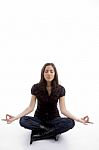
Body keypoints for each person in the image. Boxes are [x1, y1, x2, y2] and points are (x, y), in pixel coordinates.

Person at [2, 63, 92, 144]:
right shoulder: (35, 87)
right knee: (23, 120)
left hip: (54, 119)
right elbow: (30, 107)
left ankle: (40, 134)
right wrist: (14, 118)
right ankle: (52, 132)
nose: (49, 73)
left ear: (54, 74)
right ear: (43, 73)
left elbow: (63, 110)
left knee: (70, 123)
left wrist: (79, 119)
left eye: (51, 71)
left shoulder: (61, 89)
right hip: (39, 120)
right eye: (46, 71)